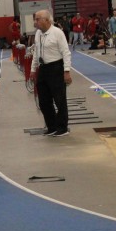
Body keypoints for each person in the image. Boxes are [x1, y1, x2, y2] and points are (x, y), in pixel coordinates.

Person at [28, 10, 72, 138]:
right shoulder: (38, 33)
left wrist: (66, 71)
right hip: (43, 68)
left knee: (59, 100)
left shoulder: (57, 33)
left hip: (56, 68)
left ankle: (62, 128)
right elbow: (36, 53)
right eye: (35, 19)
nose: (35, 22)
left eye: (37, 19)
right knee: (43, 101)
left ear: (47, 20)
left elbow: (66, 52)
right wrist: (33, 70)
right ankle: (52, 126)